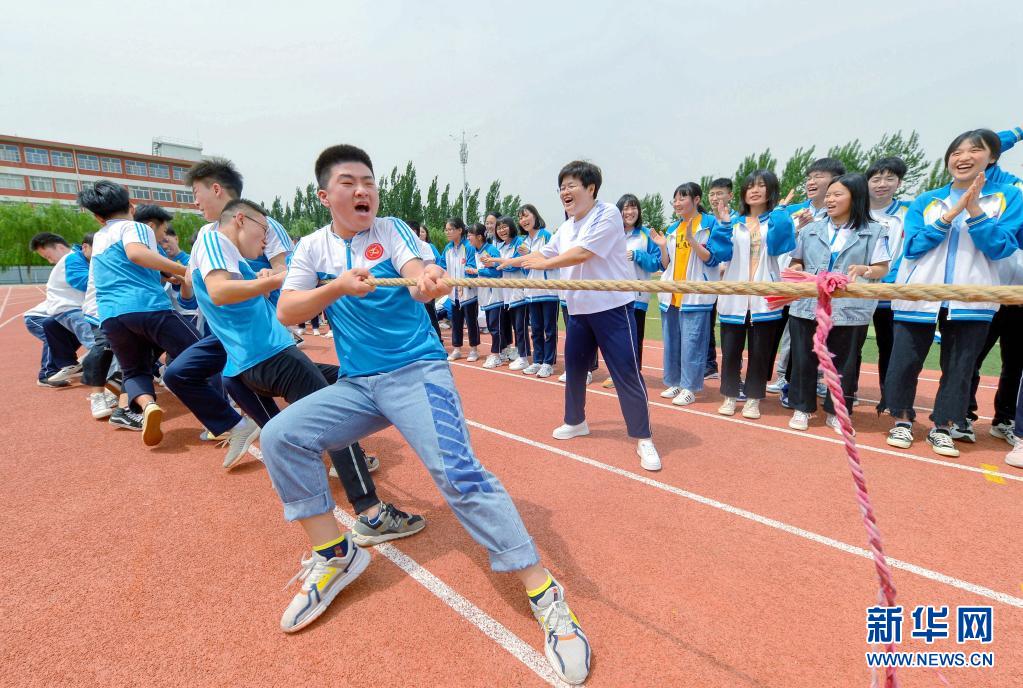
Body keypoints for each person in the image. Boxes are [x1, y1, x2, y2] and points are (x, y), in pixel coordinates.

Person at [259, 144, 590, 685]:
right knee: (281, 437)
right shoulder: (312, 249)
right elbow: (289, 309)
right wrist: (336, 286)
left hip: (417, 373)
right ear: (326, 195)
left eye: (369, 180)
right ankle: (336, 553)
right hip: (359, 384)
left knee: (458, 474)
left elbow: (419, 269)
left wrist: (426, 277)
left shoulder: (388, 230)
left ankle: (545, 594)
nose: (363, 190)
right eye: (349, 182)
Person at [508, 160, 662, 474]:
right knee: (575, 371)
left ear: (590, 188)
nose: (564, 192)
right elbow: (545, 254)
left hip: (613, 308)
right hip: (577, 310)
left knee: (626, 374)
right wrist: (504, 261)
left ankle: (643, 436)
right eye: (561, 187)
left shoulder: (607, 215)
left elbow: (582, 254)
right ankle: (575, 421)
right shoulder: (565, 227)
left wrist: (543, 265)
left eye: (571, 185)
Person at [883, 129, 1022, 458]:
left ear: (992, 158)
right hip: (919, 293)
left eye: (975, 150)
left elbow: (1002, 247)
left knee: (960, 367)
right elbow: (913, 247)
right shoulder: (926, 200)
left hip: (972, 297)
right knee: (903, 362)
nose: (964, 157)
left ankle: (943, 426)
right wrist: (950, 213)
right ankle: (901, 419)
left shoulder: (1009, 197)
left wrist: (974, 210)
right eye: (956, 151)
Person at [79, 181, 198, 446]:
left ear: (98, 217)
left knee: (134, 370)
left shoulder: (99, 237)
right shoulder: (136, 227)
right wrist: (181, 270)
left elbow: (127, 264)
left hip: (110, 315)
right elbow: (136, 254)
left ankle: (145, 406)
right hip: (145, 307)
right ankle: (222, 416)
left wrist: (168, 274)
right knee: (201, 349)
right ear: (132, 206)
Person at [785, 174, 890, 433]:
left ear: (855, 197)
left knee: (843, 361)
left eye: (837, 194)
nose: (830, 200)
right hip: (807, 305)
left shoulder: (874, 231)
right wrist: (800, 271)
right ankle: (802, 408)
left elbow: (882, 268)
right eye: (829, 195)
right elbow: (795, 261)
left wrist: (864, 269)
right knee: (803, 358)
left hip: (850, 309)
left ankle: (837, 411)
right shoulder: (811, 228)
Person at [711, 170, 796, 419]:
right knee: (730, 351)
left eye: (761, 186)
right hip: (734, 297)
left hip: (764, 298)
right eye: (750, 186)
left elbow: (784, 245)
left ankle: (753, 399)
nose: (755, 190)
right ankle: (729, 395)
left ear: (770, 190)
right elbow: (720, 253)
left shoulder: (776, 220)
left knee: (760, 353)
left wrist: (781, 212)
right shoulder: (734, 222)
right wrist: (724, 225)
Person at [649, 183, 728, 406]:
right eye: (674, 200)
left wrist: (693, 241)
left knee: (692, 343)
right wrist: (663, 247)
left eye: (682, 198)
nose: (677, 203)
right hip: (671, 296)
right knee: (672, 343)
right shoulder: (674, 228)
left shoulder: (710, 223)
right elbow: (664, 265)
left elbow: (713, 259)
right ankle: (675, 382)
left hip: (696, 296)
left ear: (696, 199)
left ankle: (690, 387)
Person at [598, 194, 659, 389]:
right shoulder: (611, 234)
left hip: (637, 296)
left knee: (635, 337)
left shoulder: (645, 235)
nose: (629, 212)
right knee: (614, 338)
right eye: (625, 208)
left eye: (633, 208)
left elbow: (656, 263)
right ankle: (616, 374)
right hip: (613, 296)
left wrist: (637, 255)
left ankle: (633, 375)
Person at [865, 157, 911, 411]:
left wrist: (889, 279)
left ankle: (891, 399)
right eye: (876, 178)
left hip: (890, 294)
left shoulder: (908, 212)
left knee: (889, 348)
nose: (882, 184)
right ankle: (842, 396)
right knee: (849, 348)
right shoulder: (856, 211)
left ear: (899, 182)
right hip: (857, 292)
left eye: (889, 178)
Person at [29, 232, 95, 383]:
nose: (50, 261)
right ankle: (49, 373)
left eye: (48, 256)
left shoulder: (77, 258)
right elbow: (83, 282)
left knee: (56, 328)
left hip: (62, 313)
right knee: (97, 341)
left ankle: (69, 364)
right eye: (47, 258)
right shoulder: (72, 259)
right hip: (62, 311)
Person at [517, 204, 559, 378]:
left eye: (526, 215)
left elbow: (554, 257)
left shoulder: (546, 235)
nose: (524, 220)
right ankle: (537, 360)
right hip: (532, 293)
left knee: (549, 329)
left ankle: (548, 363)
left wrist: (531, 252)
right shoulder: (523, 241)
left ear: (535, 216)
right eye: (520, 218)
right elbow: (526, 268)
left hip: (549, 291)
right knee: (535, 329)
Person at [705, 178, 740, 379]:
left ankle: (733, 373)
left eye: (720, 193)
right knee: (707, 326)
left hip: (731, 283)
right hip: (709, 283)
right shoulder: (708, 222)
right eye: (712, 194)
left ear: (730, 196)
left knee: (732, 329)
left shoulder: (738, 221)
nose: (715, 198)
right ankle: (709, 365)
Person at [439, 217, 480, 362]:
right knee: (456, 321)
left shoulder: (468, 247)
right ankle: (456, 349)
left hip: (468, 292)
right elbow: (442, 266)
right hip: (453, 292)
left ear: (460, 230)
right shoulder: (447, 248)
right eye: (446, 229)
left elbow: (471, 265)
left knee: (471, 321)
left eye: (451, 229)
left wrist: (466, 279)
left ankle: (474, 349)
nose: (448, 232)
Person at [467, 224, 506, 367]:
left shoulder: (491, 250)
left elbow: (498, 272)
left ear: (479, 236)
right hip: (484, 295)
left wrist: (478, 271)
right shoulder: (474, 251)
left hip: (495, 295)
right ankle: (501, 352)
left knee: (495, 327)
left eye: (470, 235)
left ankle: (496, 354)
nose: (468, 238)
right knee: (491, 326)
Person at [411, 220, 443, 340]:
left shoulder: (425, 246)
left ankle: (438, 340)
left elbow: (431, 263)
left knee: (429, 314)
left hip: (425, 285)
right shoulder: (404, 246)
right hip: (411, 287)